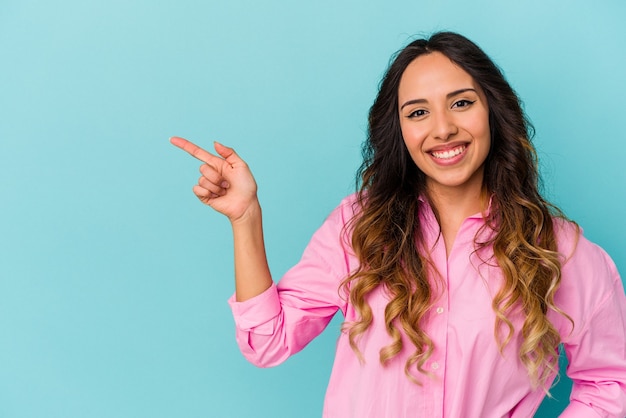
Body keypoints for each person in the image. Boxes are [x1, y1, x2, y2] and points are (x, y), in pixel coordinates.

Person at [171, 31, 626, 417]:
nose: (443, 128)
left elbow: (612, 383)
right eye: (418, 112)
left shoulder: (557, 250)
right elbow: (266, 343)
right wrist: (246, 218)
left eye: (461, 103)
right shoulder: (357, 226)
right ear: (400, 130)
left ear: (493, 112)